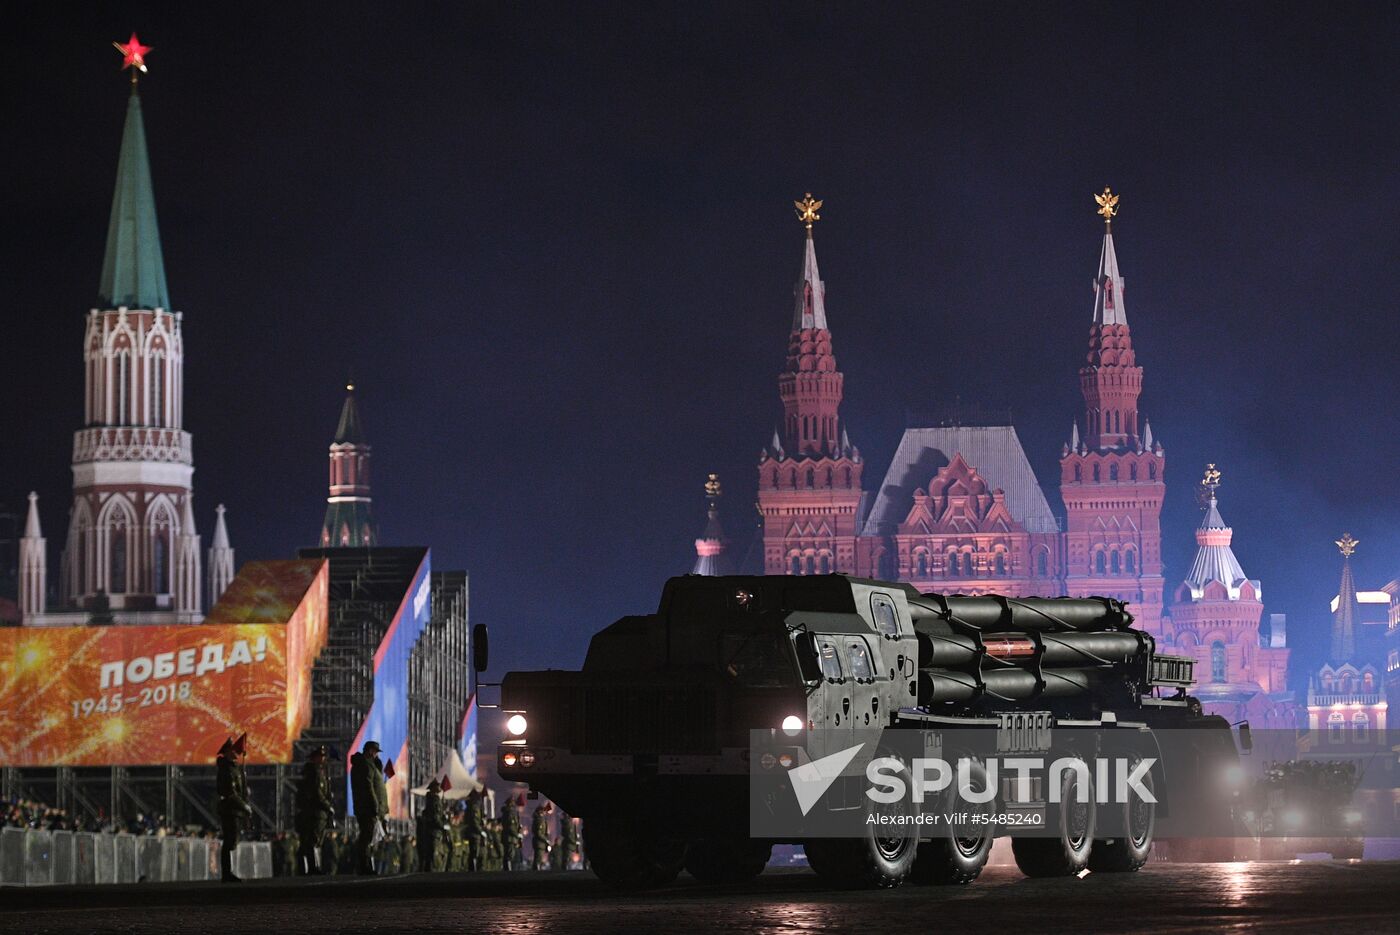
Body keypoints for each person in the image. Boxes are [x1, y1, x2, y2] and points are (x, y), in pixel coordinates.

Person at [215, 735, 252, 883]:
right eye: (232, 750)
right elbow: (230, 792)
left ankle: (228, 872)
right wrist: (244, 806)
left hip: (235, 810)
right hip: (229, 809)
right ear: (226, 752)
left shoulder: (234, 769)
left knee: (232, 840)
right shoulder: (226, 770)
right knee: (229, 840)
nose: (236, 751)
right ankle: (226, 873)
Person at [350, 740, 390, 874]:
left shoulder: (369, 765)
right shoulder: (365, 765)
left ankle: (367, 866)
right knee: (367, 838)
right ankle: (364, 866)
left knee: (370, 838)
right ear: (370, 751)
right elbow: (369, 787)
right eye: (375, 752)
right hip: (368, 808)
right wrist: (375, 806)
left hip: (370, 808)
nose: (376, 756)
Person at [295, 746, 335, 874]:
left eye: (323, 756)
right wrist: (327, 805)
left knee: (313, 840)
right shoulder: (314, 772)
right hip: (315, 811)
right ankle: (312, 867)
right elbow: (317, 793)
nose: (323, 758)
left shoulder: (319, 772)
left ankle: (311, 867)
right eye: (320, 756)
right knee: (313, 840)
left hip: (317, 811)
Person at [416, 779, 448, 872]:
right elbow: (436, 817)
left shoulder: (430, 800)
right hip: (434, 831)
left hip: (431, 831)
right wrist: (443, 826)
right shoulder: (434, 800)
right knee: (434, 855)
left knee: (430, 855)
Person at [464, 790, 486, 872]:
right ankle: (473, 870)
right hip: (474, 833)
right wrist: (481, 831)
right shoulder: (474, 807)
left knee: (473, 851)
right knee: (474, 852)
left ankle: (472, 869)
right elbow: (475, 821)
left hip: (471, 832)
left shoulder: (470, 807)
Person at [501, 799, 523, 871]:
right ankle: (508, 871)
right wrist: (517, 834)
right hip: (509, 837)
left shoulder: (509, 812)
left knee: (510, 854)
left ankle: (507, 869)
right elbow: (511, 826)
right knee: (509, 855)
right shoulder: (510, 813)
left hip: (509, 837)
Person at [531, 801, 552, 871]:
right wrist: (546, 840)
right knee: (538, 858)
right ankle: (536, 872)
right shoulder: (539, 820)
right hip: (539, 842)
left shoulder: (540, 820)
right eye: (543, 811)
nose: (545, 812)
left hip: (540, 843)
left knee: (538, 858)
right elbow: (539, 833)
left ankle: (536, 870)